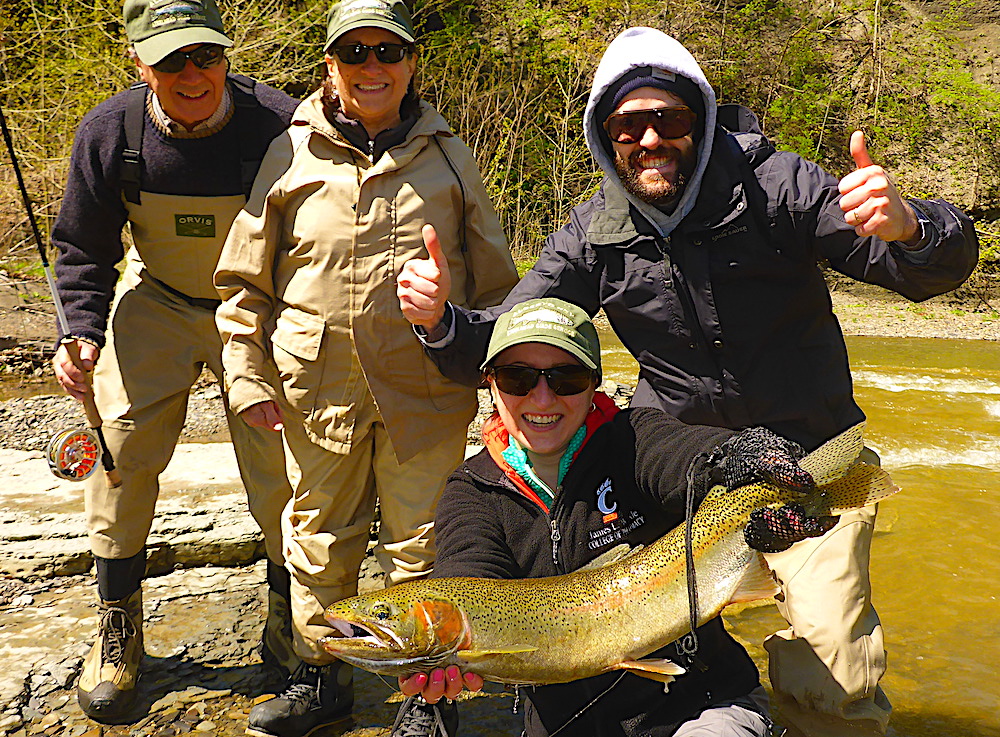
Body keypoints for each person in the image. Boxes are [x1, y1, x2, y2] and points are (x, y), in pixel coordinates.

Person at [396, 26, 980, 737]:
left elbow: (928, 271)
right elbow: (515, 344)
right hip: (677, 477)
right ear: (604, 138)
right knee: (629, 648)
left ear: (699, 121)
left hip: (808, 462)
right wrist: (440, 323)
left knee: (831, 665)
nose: (648, 139)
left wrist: (912, 227)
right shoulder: (595, 230)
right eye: (627, 126)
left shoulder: (779, 186)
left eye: (667, 119)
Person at [214, 2, 518, 735]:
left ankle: (426, 694)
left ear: (411, 63)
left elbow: (499, 289)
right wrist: (248, 376)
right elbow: (243, 285)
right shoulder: (290, 154)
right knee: (320, 542)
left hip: (427, 396)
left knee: (423, 547)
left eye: (388, 50)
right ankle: (322, 679)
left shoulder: (451, 158)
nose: (372, 66)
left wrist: (507, 387)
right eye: (355, 52)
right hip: (315, 395)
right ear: (331, 65)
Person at [393, 296, 834, 737]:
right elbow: (466, 575)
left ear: (594, 387)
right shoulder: (472, 490)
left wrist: (731, 456)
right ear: (490, 384)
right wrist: (442, 645)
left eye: (566, 379)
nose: (542, 397)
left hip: (700, 706)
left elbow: (684, 457)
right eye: (517, 378)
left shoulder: (633, 438)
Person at [50, 0, 300, 723]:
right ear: (139, 63)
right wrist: (79, 333)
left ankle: (288, 619)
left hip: (257, 305)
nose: (193, 75)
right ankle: (117, 631)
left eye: (206, 56)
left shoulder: (280, 125)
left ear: (226, 54)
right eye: (171, 61)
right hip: (155, 297)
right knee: (119, 454)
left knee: (280, 464)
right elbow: (82, 247)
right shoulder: (109, 132)